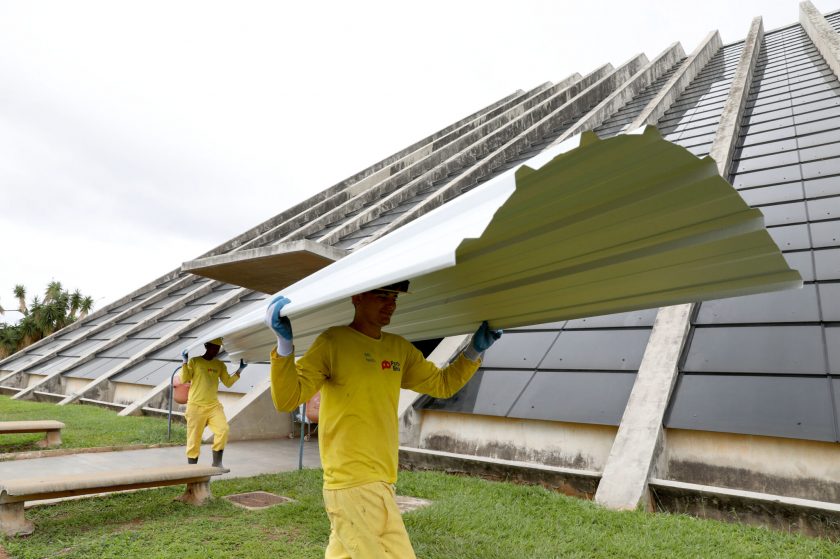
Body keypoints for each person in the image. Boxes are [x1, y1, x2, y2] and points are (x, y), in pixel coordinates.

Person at [265, 280, 501, 558]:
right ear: (357, 297)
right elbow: (287, 399)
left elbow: (442, 384)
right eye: (382, 296)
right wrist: (284, 346)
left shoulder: (398, 349)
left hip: (383, 481)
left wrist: (474, 350)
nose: (390, 305)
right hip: (351, 482)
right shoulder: (333, 342)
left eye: (394, 298)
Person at [180, 337, 247, 469]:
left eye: (218, 348)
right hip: (195, 406)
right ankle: (192, 468)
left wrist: (239, 371)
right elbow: (184, 379)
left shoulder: (219, 365)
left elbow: (227, 382)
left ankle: (217, 462)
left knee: (223, 430)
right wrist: (184, 362)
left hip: (213, 406)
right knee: (194, 438)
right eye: (213, 347)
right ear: (207, 346)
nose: (215, 351)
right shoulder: (195, 361)